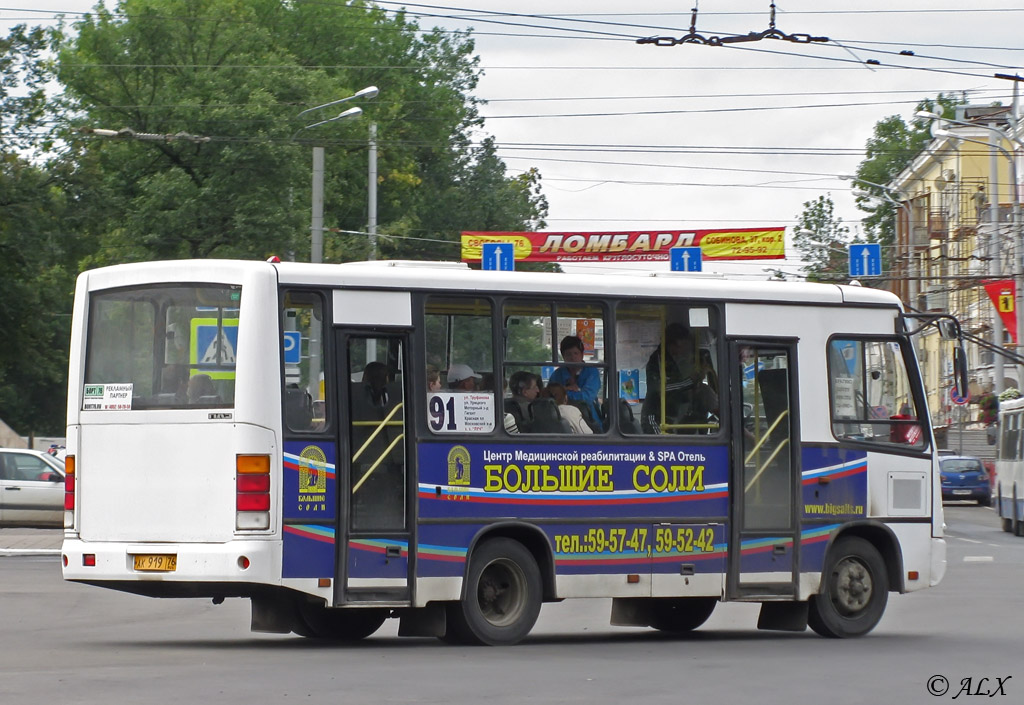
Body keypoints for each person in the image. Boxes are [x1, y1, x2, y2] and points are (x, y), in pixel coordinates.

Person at [641, 322, 717, 433]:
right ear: (672, 346)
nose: (685, 351)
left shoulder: (675, 361)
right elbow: (659, 389)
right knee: (663, 448)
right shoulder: (657, 361)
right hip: (655, 418)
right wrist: (691, 380)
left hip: (671, 417)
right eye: (682, 346)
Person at [549, 335, 602, 429]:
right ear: (563, 356)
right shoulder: (557, 374)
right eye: (568, 354)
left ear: (582, 354)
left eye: (575, 353)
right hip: (562, 420)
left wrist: (562, 392)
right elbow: (549, 398)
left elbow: (587, 398)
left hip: (589, 420)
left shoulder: (591, 372)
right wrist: (567, 390)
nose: (572, 358)